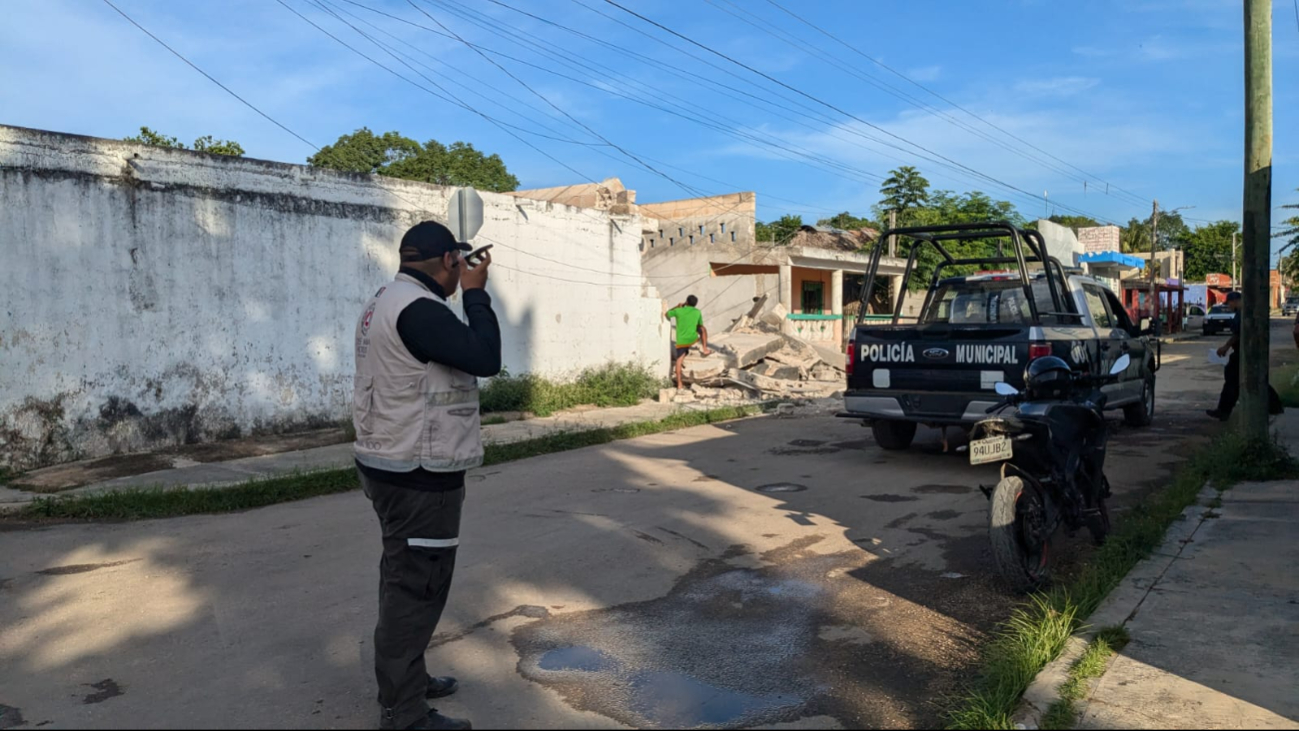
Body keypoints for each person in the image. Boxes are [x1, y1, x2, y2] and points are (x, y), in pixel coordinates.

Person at [352, 221, 501, 731]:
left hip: (390, 459)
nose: (462, 275)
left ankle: (407, 681)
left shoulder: (385, 300)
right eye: (460, 267)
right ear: (448, 262)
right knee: (416, 590)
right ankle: (404, 712)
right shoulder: (419, 310)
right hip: (417, 469)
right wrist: (478, 298)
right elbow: (486, 358)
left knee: (403, 580)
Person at [1207, 291, 1282, 421]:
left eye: (1229, 303)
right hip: (1247, 351)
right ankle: (1224, 410)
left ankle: (1273, 405)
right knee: (1239, 381)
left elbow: (1238, 334)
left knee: (1236, 380)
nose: (1229, 306)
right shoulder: (1247, 311)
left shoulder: (1242, 314)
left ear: (1234, 301)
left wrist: (1226, 347)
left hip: (1243, 352)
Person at [664, 295, 711, 389]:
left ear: (687, 302)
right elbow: (700, 325)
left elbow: (667, 314)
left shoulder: (679, 311)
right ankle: (705, 348)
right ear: (695, 304)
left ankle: (679, 384)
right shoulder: (697, 312)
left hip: (682, 341)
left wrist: (677, 306)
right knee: (703, 329)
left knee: (679, 361)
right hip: (693, 338)